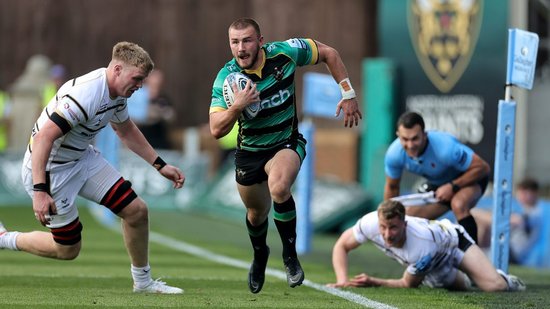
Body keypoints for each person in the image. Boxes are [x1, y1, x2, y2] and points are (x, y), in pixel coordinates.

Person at [0, 42, 185, 294]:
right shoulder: (86, 94)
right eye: (138, 78)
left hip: (82, 159)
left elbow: (126, 129)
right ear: (117, 69)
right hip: (51, 171)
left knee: (137, 211)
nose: (140, 85)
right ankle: (4, 239)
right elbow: (43, 138)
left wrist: (159, 165)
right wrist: (40, 190)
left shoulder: (118, 93)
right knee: (67, 251)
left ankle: (143, 283)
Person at [209, 18, 362, 294]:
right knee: (256, 215)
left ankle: (290, 257)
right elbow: (216, 129)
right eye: (234, 42)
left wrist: (348, 92)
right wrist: (238, 106)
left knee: (279, 186)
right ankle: (260, 255)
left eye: (247, 40)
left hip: (286, 142)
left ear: (260, 41)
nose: (240, 48)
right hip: (250, 152)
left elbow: (329, 53)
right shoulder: (226, 79)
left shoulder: (286, 53)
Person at [328, 200, 526, 291]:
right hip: (435, 262)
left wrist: (374, 281)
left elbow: (408, 284)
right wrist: (343, 279)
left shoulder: (421, 245)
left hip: (454, 243)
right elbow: (341, 246)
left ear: (405, 224)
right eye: (383, 227)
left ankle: (502, 278)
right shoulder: (368, 223)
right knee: (465, 285)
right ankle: (474, 275)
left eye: (394, 228)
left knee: (495, 287)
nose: (387, 234)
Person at [384, 111, 490, 243]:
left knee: (458, 204)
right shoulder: (394, 154)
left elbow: (483, 168)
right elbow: (392, 187)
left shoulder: (445, 148)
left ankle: (472, 258)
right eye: (405, 139)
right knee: (409, 217)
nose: (410, 145)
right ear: (398, 136)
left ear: (424, 135)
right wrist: (387, 218)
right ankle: (425, 260)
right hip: (439, 183)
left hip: (469, 179)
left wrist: (453, 186)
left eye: (415, 138)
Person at [472, 177, 546, 265]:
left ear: (533, 193)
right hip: (508, 249)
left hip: (512, 254)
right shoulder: (526, 210)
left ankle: (473, 254)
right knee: (479, 222)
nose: (521, 195)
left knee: (482, 221)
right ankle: (473, 253)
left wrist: (473, 212)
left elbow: (504, 221)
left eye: (525, 192)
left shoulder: (534, 212)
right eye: (521, 191)